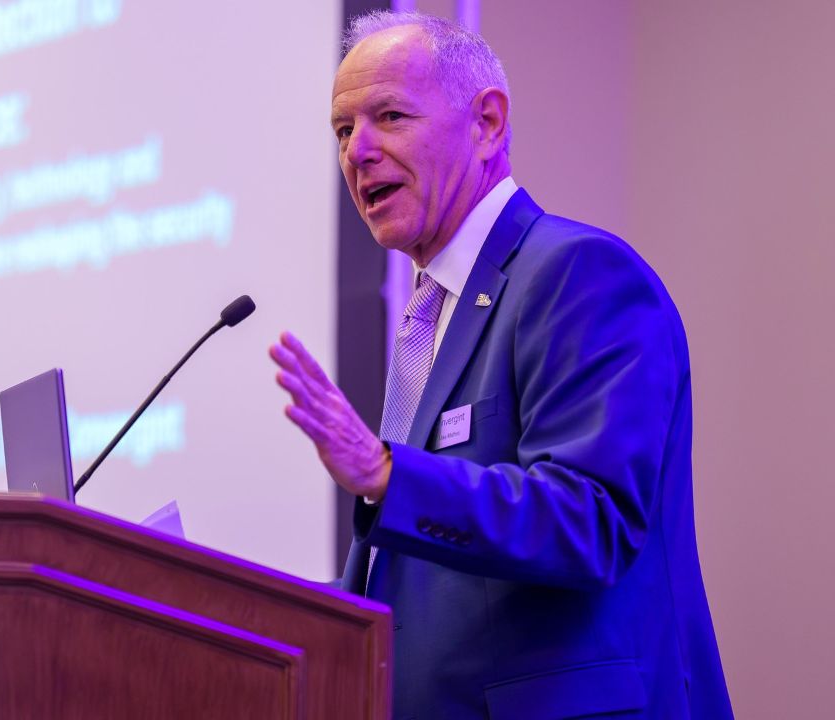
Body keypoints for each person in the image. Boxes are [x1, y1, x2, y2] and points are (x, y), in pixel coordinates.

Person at [269, 11, 733, 718]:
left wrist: (389, 476)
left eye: (389, 116)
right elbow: (417, 589)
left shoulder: (579, 274)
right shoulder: (430, 315)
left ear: (486, 123)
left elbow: (590, 520)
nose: (357, 150)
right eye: (341, 130)